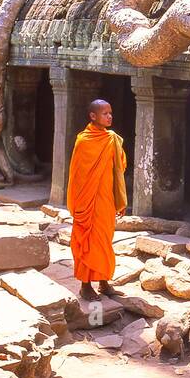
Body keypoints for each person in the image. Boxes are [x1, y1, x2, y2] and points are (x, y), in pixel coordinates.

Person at [67, 98, 127, 298]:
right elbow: (77, 175)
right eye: (105, 113)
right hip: (87, 201)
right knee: (87, 241)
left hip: (106, 199)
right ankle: (85, 286)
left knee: (103, 241)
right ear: (93, 116)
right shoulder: (83, 141)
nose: (109, 116)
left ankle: (103, 283)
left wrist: (120, 199)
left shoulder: (112, 139)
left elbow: (119, 168)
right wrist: (79, 204)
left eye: (110, 113)